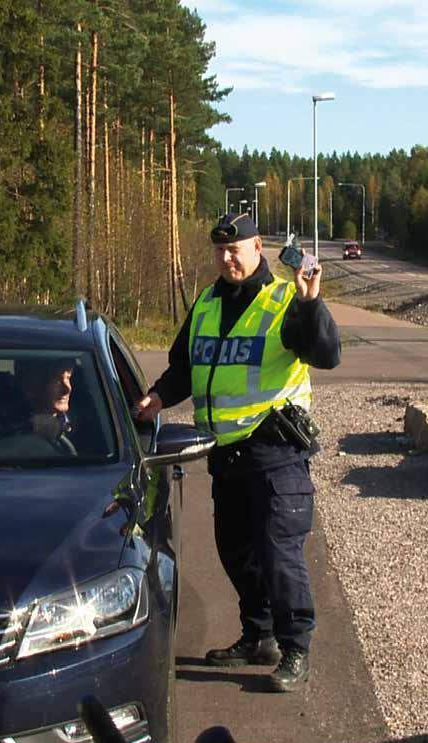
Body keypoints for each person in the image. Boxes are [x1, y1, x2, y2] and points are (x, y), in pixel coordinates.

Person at [135, 212, 341, 692]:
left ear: (258, 249)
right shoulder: (207, 302)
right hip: (226, 456)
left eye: (237, 249)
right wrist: (158, 397)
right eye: (220, 250)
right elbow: (184, 366)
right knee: (236, 552)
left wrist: (312, 304)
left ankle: (295, 648)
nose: (228, 258)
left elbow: (327, 354)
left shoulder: (285, 299)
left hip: (275, 454)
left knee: (278, 554)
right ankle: (259, 635)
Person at [0, 358, 76, 453]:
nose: (67, 388)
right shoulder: (3, 418)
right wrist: (31, 426)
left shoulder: (84, 415)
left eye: (68, 378)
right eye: (57, 379)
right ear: (32, 384)